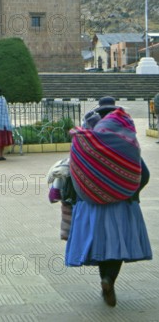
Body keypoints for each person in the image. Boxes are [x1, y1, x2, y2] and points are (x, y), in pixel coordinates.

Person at [65, 96, 152, 307]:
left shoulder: (85, 140)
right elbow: (144, 173)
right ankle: (109, 280)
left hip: (91, 207)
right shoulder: (125, 142)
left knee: (102, 246)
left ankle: (104, 281)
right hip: (122, 205)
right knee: (117, 247)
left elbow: (72, 173)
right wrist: (129, 189)